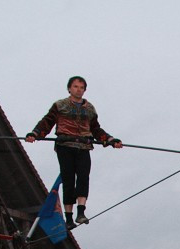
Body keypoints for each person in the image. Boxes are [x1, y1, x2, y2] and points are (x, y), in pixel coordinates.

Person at [26, 76, 123, 228]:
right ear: (69, 88)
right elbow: (47, 122)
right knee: (68, 178)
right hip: (65, 145)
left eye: (81, 87)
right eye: (76, 86)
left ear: (84, 90)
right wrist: (35, 134)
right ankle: (69, 218)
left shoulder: (90, 108)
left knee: (83, 177)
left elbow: (96, 129)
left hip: (83, 146)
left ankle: (81, 212)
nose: (78, 90)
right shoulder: (60, 105)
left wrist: (110, 140)